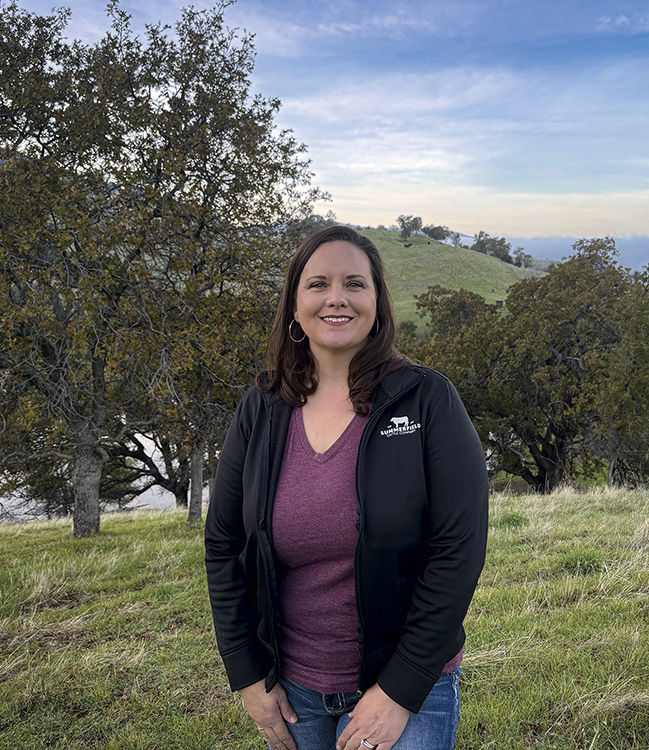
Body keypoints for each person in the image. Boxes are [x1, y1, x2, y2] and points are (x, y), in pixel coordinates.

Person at [205, 225, 488, 750]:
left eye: (354, 283)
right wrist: (245, 673)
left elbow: (459, 552)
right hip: (292, 693)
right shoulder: (261, 409)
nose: (336, 298)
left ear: (377, 302)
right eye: (318, 284)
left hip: (405, 685)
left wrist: (400, 690)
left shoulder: (428, 401)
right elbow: (223, 545)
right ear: (295, 304)